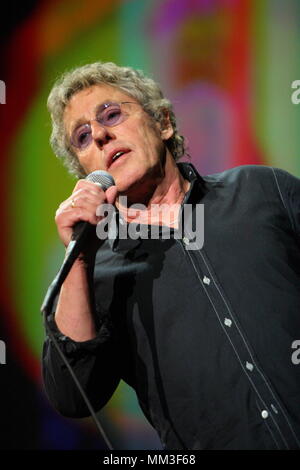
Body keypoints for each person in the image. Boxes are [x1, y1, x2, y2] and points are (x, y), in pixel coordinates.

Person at [42, 61, 300, 450]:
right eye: (81, 137)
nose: (99, 134)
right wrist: (77, 259)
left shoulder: (262, 190)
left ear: (162, 122)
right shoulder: (97, 274)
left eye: (111, 114)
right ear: (84, 173)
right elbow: (74, 396)